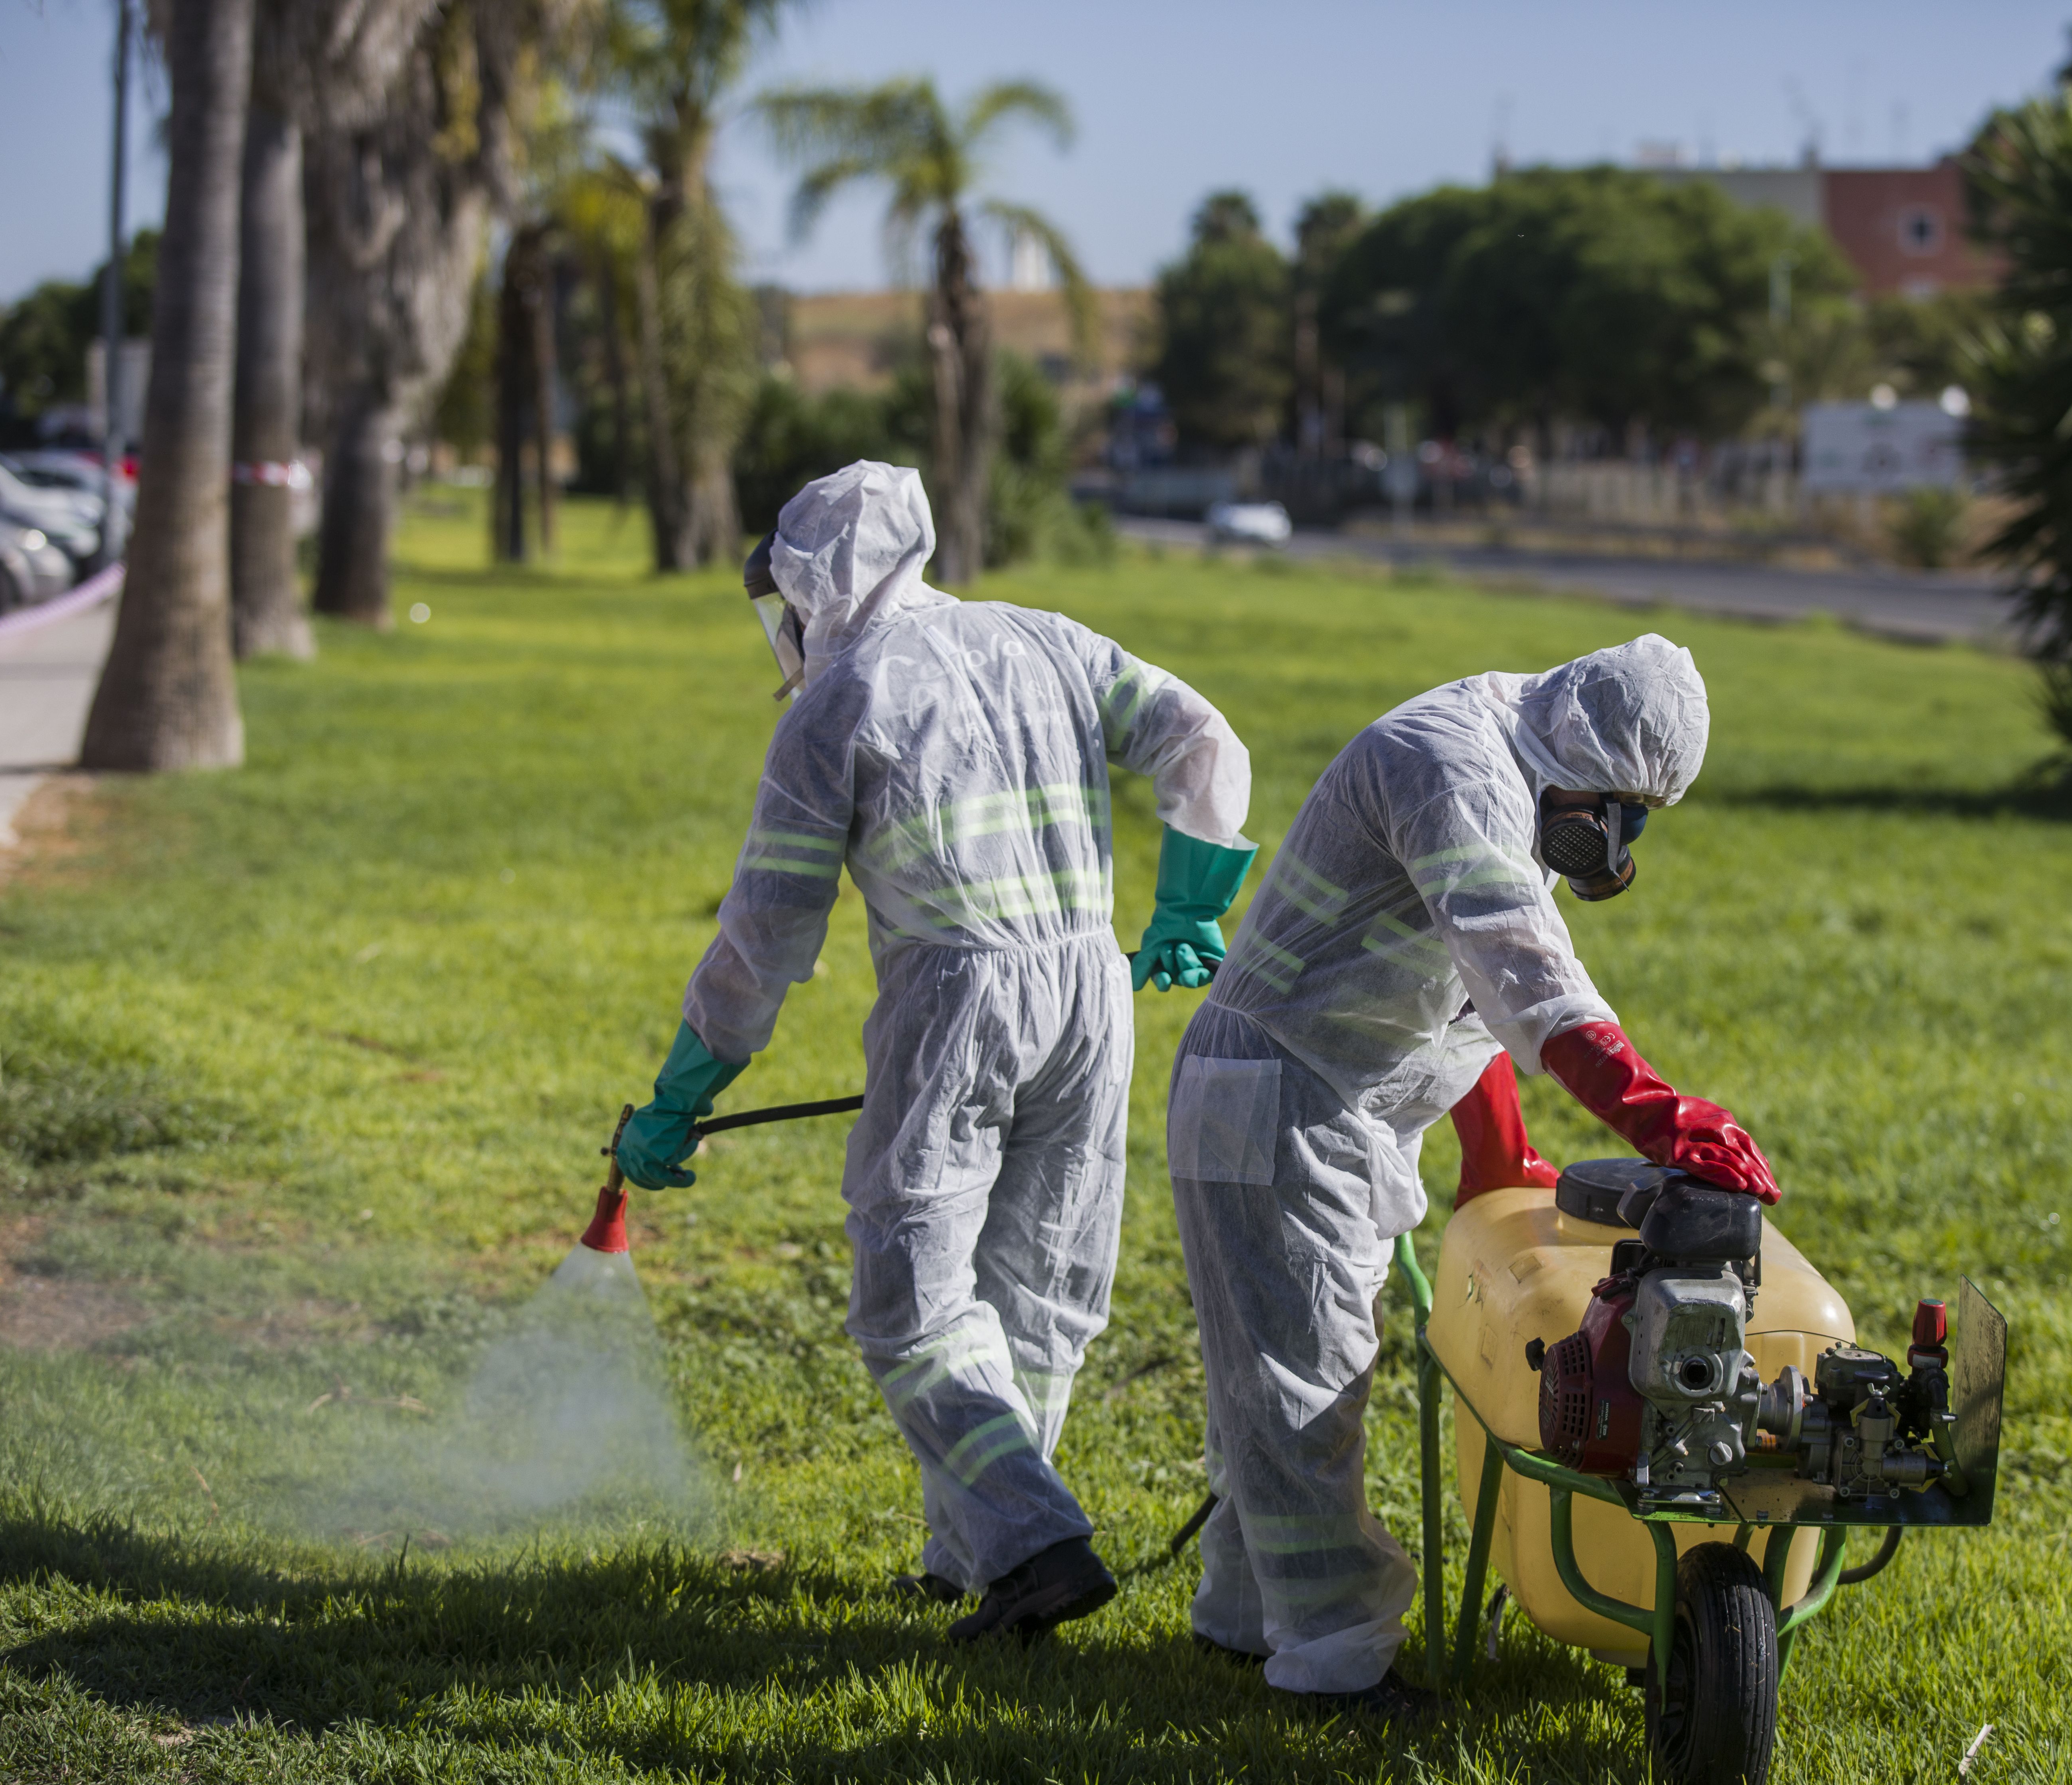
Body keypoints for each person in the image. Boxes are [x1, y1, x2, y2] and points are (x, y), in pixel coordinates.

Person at [616, 462, 1255, 1640]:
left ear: (814, 583)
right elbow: (1201, 739)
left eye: (784, 605)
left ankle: (1032, 1546)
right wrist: (1189, 900)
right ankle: (976, 1560)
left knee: (909, 1297)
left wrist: (684, 1085)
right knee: (1040, 1294)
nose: (786, 632)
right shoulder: (1045, 638)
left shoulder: (836, 705)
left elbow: (765, 939)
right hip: (1088, 996)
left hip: (953, 995)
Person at [1164, 634, 1778, 1709]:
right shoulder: (1451, 764)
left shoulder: (1528, 763)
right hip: (1278, 1098)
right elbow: (1521, 971)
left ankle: (1243, 1624)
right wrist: (1661, 1115)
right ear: (1583, 760)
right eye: (1623, 812)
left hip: (1334, 1102)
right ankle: (1332, 1668)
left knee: (1281, 1380)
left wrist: (1496, 1148)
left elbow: (1463, 976)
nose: (1622, 845)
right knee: (1304, 1390)